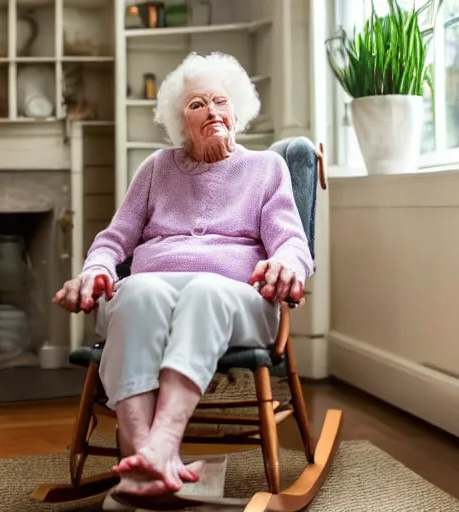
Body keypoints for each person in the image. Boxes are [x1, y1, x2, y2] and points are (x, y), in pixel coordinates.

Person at [54, 52, 314, 497]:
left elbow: (292, 242)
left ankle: (161, 443)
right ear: (180, 120)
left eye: (220, 101)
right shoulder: (156, 168)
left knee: (206, 291)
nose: (212, 112)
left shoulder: (266, 169)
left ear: (237, 111)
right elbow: (114, 239)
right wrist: (96, 269)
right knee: (135, 291)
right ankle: (144, 460)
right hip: (154, 290)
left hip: (236, 298)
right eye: (197, 104)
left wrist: (286, 265)